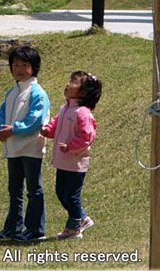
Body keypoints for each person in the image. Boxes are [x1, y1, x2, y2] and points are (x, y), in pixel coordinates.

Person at [0, 45, 50, 242]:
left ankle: (35, 229)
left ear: (34, 68)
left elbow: (35, 121)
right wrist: (0, 130)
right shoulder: (12, 92)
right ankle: (13, 228)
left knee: (34, 190)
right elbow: (1, 114)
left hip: (31, 148)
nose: (19, 69)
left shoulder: (37, 92)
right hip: (13, 148)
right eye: (15, 65)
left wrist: (13, 130)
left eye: (24, 65)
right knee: (14, 191)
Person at [40, 70, 102, 240]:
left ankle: (74, 227)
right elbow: (56, 122)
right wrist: (48, 130)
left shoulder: (82, 112)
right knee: (61, 192)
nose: (68, 83)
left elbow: (87, 136)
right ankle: (82, 218)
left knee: (71, 196)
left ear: (83, 92)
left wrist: (70, 147)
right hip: (63, 161)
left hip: (76, 163)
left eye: (73, 82)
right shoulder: (66, 108)